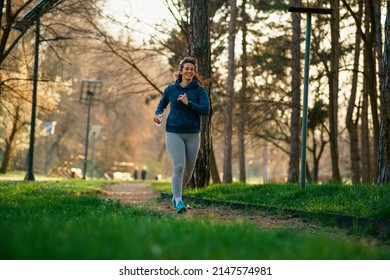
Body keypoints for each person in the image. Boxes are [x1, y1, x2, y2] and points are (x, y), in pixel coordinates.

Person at [154, 56, 210, 213]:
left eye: (192, 69)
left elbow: (205, 110)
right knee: (179, 167)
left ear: (194, 72)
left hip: (193, 134)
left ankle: (175, 195)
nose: (189, 71)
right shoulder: (171, 89)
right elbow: (162, 104)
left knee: (188, 172)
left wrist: (188, 103)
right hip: (174, 132)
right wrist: (158, 115)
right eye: (186, 68)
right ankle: (178, 201)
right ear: (181, 70)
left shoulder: (199, 90)